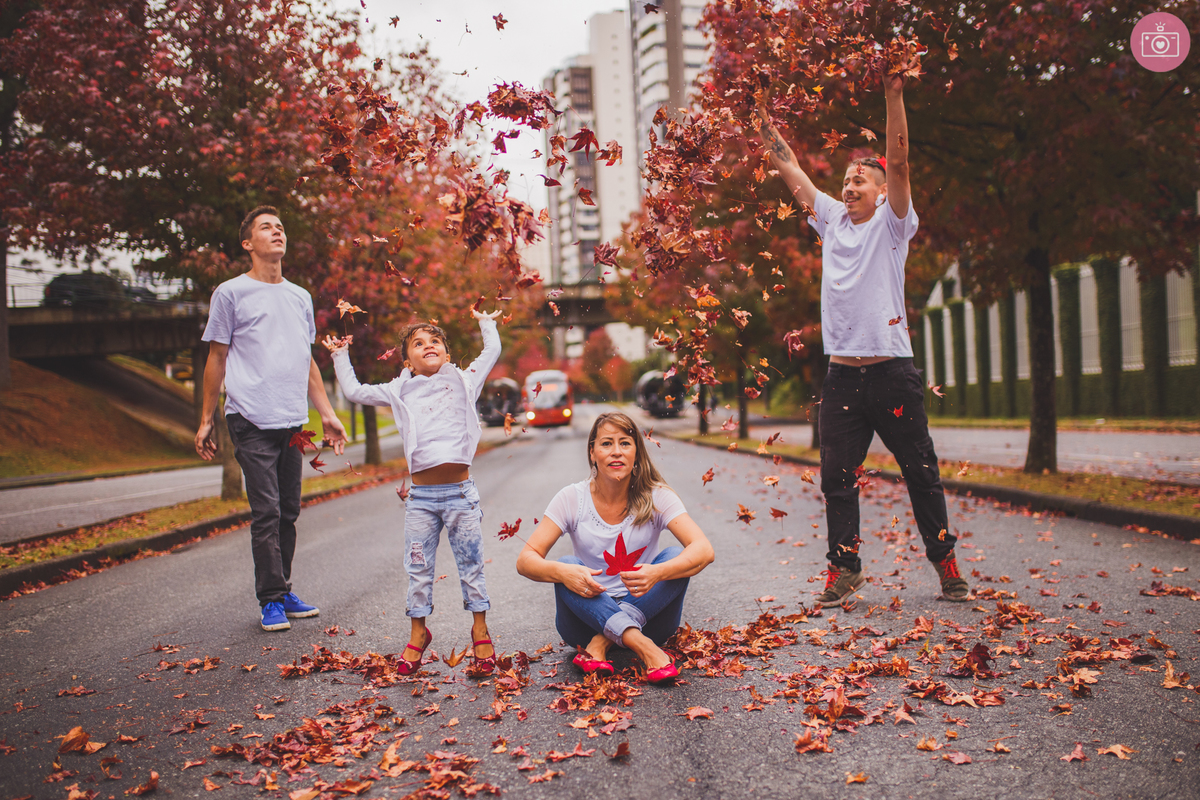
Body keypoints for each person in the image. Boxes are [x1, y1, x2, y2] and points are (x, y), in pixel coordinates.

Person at [756, 72, 969, 606]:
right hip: (843, 378)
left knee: (921, 472)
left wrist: (894, 96)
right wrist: (761, 119)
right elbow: (790, 168)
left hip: (892, 373)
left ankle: (946, 565)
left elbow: (897, 162)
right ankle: (844, 569)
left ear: (880, 192)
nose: (849, 186)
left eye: (860, 181)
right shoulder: (831, 221)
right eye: (847, 180)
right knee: (836, 479)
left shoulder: (894, 224)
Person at [324, 309, 502, 676]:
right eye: (418, 344)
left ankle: (480, 629)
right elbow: (354, 391)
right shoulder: (398, 390)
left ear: (447, 354)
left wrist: (486, 323)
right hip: (421, 501)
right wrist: (340, 355)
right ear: (408, 361)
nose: (428, 346)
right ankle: (418, 633)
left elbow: (492, 352)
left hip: (460, 495)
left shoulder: (465, 380)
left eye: (435, 341)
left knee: (470, 565)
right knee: (418, 569)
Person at [196, 205, 348, 632]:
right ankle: (271, 601)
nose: (277, 231)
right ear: (248, 243)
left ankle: (282, 589)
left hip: (291, 421)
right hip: (249, 417)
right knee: (266, 511)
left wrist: (328, 414)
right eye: (267, 227)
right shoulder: (230, 293)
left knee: (288, 512)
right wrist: (207, 417)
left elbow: (308, 362)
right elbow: (217, 356)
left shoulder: (300, 297)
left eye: (280, 226)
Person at [516, 412, 714, 684]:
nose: (616, 452)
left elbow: (703, 549)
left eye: (625, 443)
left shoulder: (657, 496)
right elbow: (525, 560)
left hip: (651, 617)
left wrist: (658, 573)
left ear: (636, 453)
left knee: (673, 557)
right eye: (607, 443)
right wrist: (563, 573)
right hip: (583, 624)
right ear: (592, 452)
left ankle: (601, 644)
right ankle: (644, 648)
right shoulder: (572, 498)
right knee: (565, 563)